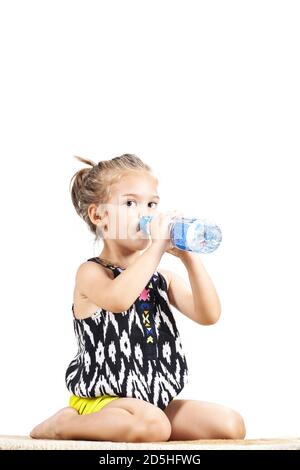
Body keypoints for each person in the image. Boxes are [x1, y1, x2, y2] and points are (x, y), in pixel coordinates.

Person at [30, 153, 246, 442]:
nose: (146, 214)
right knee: (154, 426)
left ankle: (147, 425)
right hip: (103, 401)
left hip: (151, 402)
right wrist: (157, 248)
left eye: (152, 204)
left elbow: (209, 314)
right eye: (130, 203)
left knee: (230, 425)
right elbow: (119, 299)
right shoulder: (92, 273)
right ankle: (64, 425)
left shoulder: (161, 278)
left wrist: (188, 258)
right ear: (99, 216)